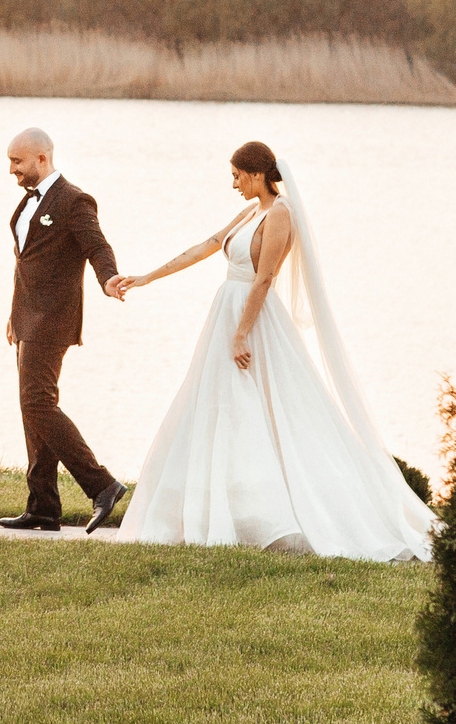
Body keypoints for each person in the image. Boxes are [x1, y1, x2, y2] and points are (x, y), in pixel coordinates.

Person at [109, 140, 434, 562]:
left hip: (253, 319)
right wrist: (146, 278)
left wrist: (242, 333)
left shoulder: (281, 214)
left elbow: (263, 279)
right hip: (225, 314)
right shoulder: (251, 210)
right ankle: (224, 508)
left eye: (237, 176)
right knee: (218, 408)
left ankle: (277, 512)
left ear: (258, 174)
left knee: (266, 409)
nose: (233, 184)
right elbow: (208, 244)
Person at [0, 127, 132, 534]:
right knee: (32, 408)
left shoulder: (74, 200)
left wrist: (108, 279)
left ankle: (102, 485)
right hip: (26, 318)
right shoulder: (26, 205)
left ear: (42, 158)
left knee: (38, 404)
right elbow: (28, 263)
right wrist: (13, 314)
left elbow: (97, 247)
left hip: (52, 319)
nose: (11, 170)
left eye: (17, 162)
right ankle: (42, 506)